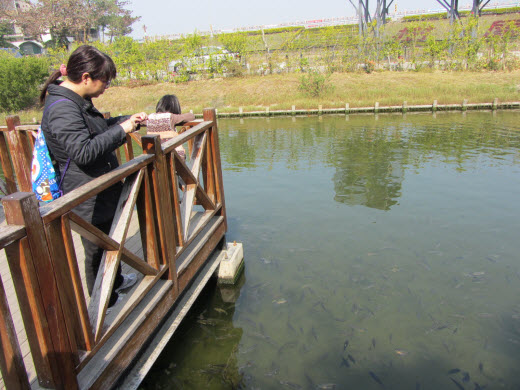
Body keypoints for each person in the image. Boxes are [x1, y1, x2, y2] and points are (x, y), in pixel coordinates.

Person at [40, 45, 146, 307]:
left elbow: (97, 129)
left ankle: (117, 282)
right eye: (105, 80)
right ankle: (103, 304)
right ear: (86, 77)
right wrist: (123, 129)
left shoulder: (78, 101)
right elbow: (84, 152)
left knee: (109, 240)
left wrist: (127, 120)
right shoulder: (62, 108)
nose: (107, 86)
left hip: (99, 187)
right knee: (96, 249)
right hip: (87, 194)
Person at [146, 94, 195, 160]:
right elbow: (191, 116)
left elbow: (138, 121)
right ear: (175, 107)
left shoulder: (149, 117)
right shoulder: (171, 117)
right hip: (173, 157)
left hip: (154, 157)